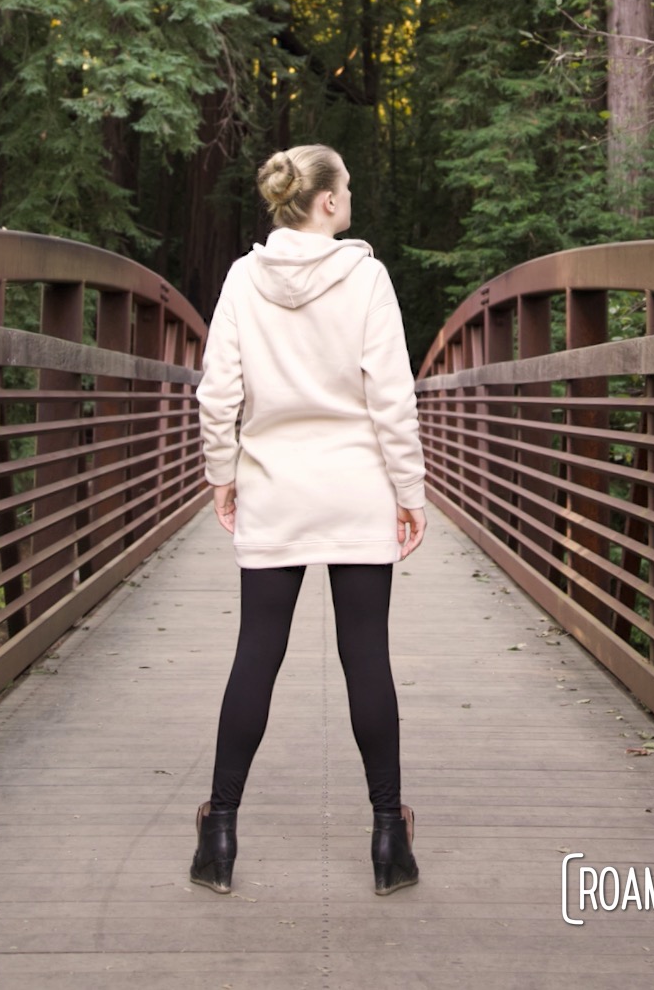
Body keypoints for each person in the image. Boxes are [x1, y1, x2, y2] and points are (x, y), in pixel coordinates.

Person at [189, 144, 427, 898]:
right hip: (354, 487)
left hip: (275, 489)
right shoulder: (366, 276)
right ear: (326, 201)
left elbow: (216, 394)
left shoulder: (241, 278)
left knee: (256, 652)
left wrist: (221, 475)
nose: (350, 196)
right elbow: (391, 396)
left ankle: (219, 832)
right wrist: (409, 490)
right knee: (367, 658)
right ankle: (389, 835)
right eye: (347, 185)